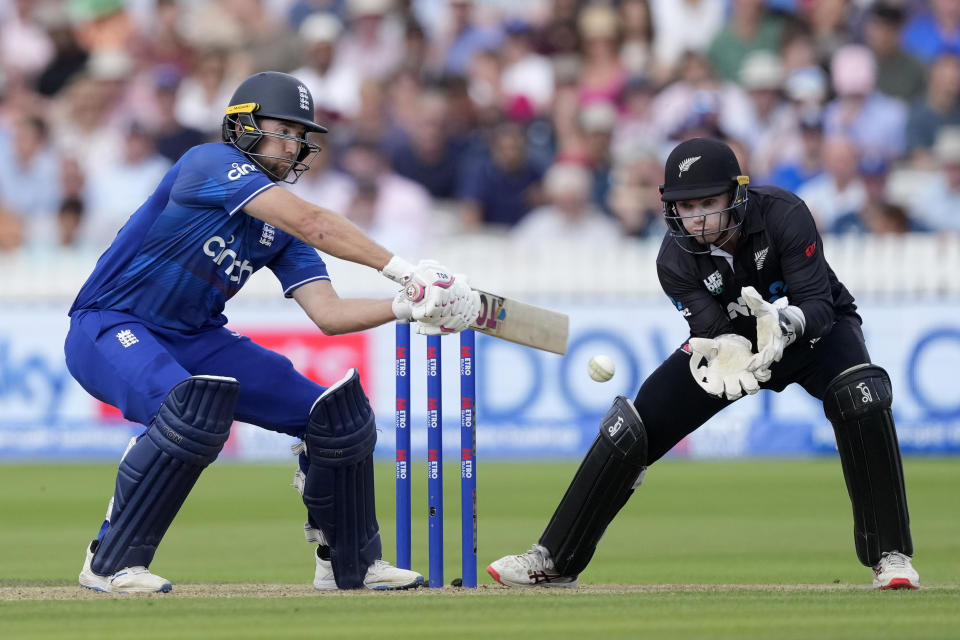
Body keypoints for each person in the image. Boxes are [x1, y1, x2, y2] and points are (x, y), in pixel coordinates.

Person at [65, 71, 481, 594]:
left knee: (338, 418)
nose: (295, 147)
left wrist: (406, 306)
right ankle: (110, 560)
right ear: (242, 126)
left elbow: (328, 315)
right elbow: (317, 224)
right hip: (111, 322)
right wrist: (406, 271)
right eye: (284, 131)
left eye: (300, 137)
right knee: (187, 412)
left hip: (197, 336)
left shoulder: (278, 227)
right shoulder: (209, 163)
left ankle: (348, 563)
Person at [486, 137, 919, 591]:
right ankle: (554, 559)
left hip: (810, 335)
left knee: (861, 395)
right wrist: (733, 353)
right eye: (687, 206)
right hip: (731, 347)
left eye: (710, 202)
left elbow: (820, 304)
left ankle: (890, 556)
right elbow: (713, 331)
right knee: (631, 427)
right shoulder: (673, 259)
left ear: (737, 193)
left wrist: (784, 323)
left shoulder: (785, 213)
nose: (700, 218)